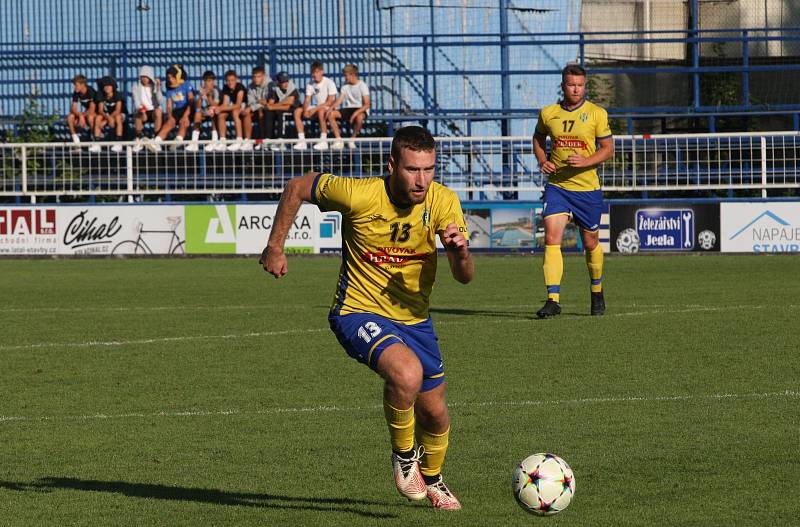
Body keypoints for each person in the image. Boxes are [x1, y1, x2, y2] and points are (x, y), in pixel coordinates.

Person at [260, 126, 473, 510]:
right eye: (412, 169)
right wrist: (275, 247)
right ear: (392, 165)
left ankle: (434, 478)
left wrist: (458, 252)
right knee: (406, 374)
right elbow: (296, 187)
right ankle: (405, 456)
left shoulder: (444, 201)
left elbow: (465, 277)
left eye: (429, 169)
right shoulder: (358, 193)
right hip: (357, 310)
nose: (421, 180)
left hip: (415, 320)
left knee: (436, 414)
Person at [532, 64, 614, 318]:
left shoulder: (596, 114)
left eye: (580, 85)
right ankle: (553, 299)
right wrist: (542, 159)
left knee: (590, 242)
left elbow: (608, 149)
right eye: (571, 84)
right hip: (558, 186)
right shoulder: (548, 113)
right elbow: (538, 138)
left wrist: (587, 161)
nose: (576, 89)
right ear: (563, 85)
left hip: (587, 189)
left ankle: (597, 290)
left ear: (584, 86)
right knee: (551, 238)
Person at [149, 64, 194, 152]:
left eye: (172, 77)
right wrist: (170, 117)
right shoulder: (169, 89)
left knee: (183, 122)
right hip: (178, 110)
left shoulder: (186, 84)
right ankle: (157, 142)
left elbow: (191, 101)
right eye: (168, 78)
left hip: (189, 108)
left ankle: (178, 141)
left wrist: (185, 115)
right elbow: (169, 106)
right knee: (170, 122)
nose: (170, 80)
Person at [293, 61, 337, 151]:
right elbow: (307, 99)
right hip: (318, 106)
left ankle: (323, 140)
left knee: (321, 111)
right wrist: (305, 110)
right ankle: (302, 141)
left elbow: (330, 102)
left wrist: (315, 109)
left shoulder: (329, 82)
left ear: (322, 72)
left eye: (316, 72)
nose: (314, 75)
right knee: (297, 111)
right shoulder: (310, 83)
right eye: (313, 72)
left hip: (328, 108)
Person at [328, 64, 371, 150]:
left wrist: (355, 114)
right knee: (331, 114)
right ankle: (339, 140)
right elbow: (340, 100)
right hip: (349, 109)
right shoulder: (345, 86)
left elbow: (367, 104)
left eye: (346, 75)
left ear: (353, 74)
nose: (345, 78)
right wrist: (331, 108)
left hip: (360, 109)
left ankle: (352, 139)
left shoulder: (362, 85)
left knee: (359, 117)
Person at [263, 71, 300, 151]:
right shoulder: (274, 87)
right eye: (283, 82)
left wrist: (272, 107)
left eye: (287, 81)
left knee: (281, 113)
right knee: (268, 112)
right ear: (279, 82)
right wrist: (271, 107)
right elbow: (270, 102)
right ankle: (268, 139)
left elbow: (288, 105)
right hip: (279, 108)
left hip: (292, 109)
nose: (286, 83)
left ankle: (281, 140)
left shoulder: (292, 88)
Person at [89, 76, 127, 153]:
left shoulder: (118, 94)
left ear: (113, 86)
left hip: (120, 114)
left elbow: (118, 110)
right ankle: (97, 143)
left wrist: (106, 121)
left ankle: (118, 143)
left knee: (118, 117)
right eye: (105, 86)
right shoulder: (101, 95)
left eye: (109, 86)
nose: (107, 88)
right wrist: (108, 118)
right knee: (98, 118)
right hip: (108, 115)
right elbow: (100, 110)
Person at [186, 70, 221, 152]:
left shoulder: (216, 90)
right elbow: (198, 106)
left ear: (213, 81)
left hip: (215, 111)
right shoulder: (202, 89)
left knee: (213, 111)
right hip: (206, 111)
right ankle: (194, 142)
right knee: (197, 113)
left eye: (210, 81)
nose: (208, 83)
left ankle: (214, 141)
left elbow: (215, 105)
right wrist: (201, 97)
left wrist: (208, 96)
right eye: (206, 81)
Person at [217, 69, 252, 152]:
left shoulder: (239, 87)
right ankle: (222, 141)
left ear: (236, 80)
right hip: (234, 106)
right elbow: (225, 103)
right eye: (228, 80)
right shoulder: (226, 87)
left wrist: (221, 108)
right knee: (221, 115)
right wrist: (217, 109)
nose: (230, 82)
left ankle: (239, 139)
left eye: (232, 80)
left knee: (235, 112)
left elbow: (238, 104)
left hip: (245, 105)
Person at [131, 65, 164, 153]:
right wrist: (142, 110)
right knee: (137, 114)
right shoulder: (136, 86)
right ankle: (139, 139)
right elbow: (136, 102)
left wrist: (158, 88)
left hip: (153, 110)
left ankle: (156, 139)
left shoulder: (154, 86)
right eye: (142, 77)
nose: (144, 79)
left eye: (146, 77)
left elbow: (160, 101)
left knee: (158, 111)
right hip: (142, 109)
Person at [67, 74, 97, 145]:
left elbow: (92, 109)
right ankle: (76, 140)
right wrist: (80, 115)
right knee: (70, 117)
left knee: (90, 117)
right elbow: (73, 108)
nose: (74, 87)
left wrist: (82, 116)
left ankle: (94, 141)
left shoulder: (90, 91)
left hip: (96, 113)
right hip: (86, 113)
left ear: (83, 84)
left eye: (76, 85)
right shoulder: (76, 92)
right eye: (74, 85)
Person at [246, 66, 271, 149]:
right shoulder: (250, 86)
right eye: (254, 76)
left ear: (263, 76)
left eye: (258, 76)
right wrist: (258, 102)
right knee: (246, 113)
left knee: (261, 111)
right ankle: (247, 142)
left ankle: (263, 140)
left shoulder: (269, 84)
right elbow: (250, 102)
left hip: (271, 110)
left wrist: (255, 105)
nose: (256, 79)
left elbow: (267, 102)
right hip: (256, 110)